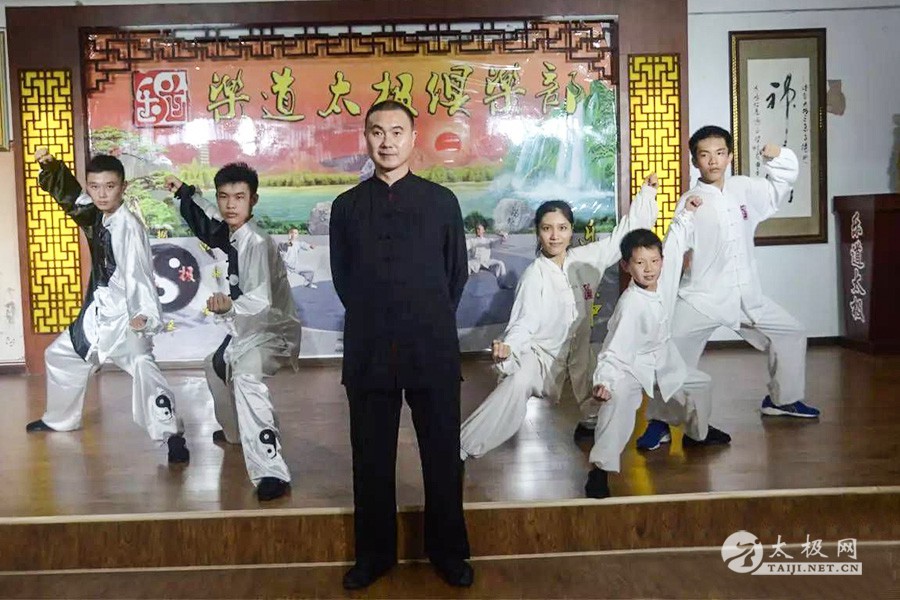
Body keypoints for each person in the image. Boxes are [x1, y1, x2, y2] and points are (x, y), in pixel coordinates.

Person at [329, 100, 472, 590]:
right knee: (370, 459)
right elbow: (344, 279)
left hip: (431, 347)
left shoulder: (441, 202)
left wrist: (424, 318)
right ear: (365, 138)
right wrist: (379, 319)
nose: (386, 141)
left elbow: (455, 275)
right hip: (369, 349)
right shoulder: (346, 207)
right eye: (377, 132)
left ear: (413, 138)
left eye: (396, 132)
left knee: (441, 455)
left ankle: (448, 552)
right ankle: (374, 555)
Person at [637, 126, 819, 452]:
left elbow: (780, 185)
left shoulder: (744, 188)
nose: (713, 161)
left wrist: (779, 156)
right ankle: (660, 422)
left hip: (746, 294)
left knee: (791, 332)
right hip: (702, 296)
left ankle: (783, 400)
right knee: (672, 350)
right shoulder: (690, 201)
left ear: (730, 156)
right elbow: (675, 248)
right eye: (705, 155)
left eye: (720, 153)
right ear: (695, 161)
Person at [459, 176, 659, 461]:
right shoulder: (534, 276)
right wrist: (509, 348)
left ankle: (594, 433)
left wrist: (647, 194)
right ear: (537, 232)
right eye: (547, 229)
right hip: (541, 356)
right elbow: (523, 323)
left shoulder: (586, 259)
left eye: (562, 228)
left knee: (611, 387)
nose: (555, 236)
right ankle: (462, 448)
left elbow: (622, 238)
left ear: (571, 230)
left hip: (580, 351)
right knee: (516, 384)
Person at [26, 148, 189, 464]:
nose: (101, 194)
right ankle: (61, 419)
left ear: (123, 187)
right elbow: (74, 201)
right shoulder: (100, 214)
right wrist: (52, 167)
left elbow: (138, 273)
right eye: (95, 186)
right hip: (98, 314)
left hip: (126, 316)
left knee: (142, 366)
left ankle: (172, 436)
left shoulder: (128, 226)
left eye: (110, 186)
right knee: (60, 355)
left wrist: (143, 314)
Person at [165, 164, 301, 502]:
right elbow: (208, 220)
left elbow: (261, 299)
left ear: (253, 200)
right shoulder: (232, 231)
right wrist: (184, 192)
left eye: (239, 197)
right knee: (214, 366)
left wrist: (228, 306)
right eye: (224, 197)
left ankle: (272, 471)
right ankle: (237, 433)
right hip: (248, 327)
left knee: (245, 377)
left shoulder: (256, 241)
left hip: (271, 329)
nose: (230, 205)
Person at [587, 198, 722, 499]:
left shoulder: (666, 272)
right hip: (631, 366)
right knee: (616, 406)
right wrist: (604, 381)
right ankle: (599, 470)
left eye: (654, 261)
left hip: (664, 359)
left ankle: (697, 434)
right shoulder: (630, 305)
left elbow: (675, 240)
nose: (649, 269)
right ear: (626, 266)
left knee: (700, 385)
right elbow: (613, 349)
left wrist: (687, 212)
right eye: (639, 263)